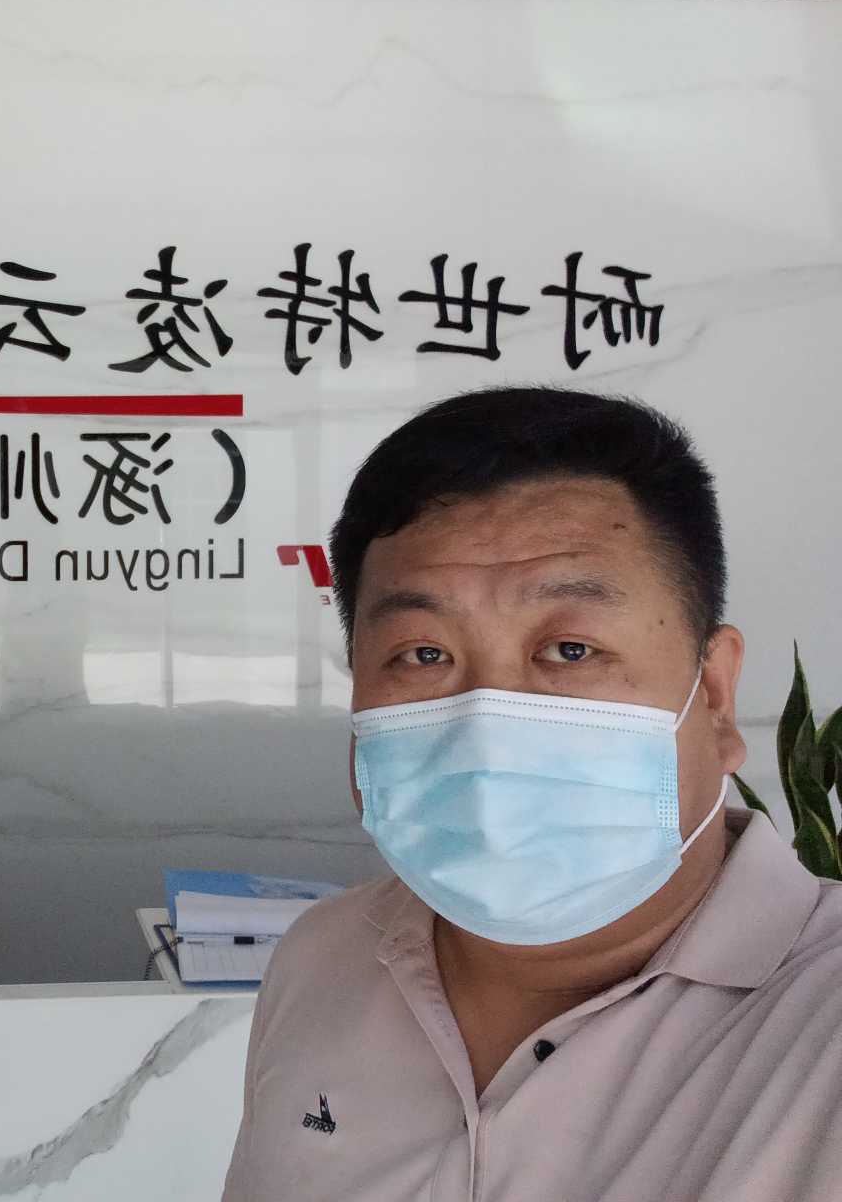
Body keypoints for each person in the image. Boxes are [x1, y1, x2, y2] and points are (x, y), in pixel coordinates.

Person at [222, 387, 842, 1200]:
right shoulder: (322, 958)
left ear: (716, 697)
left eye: (571, 649)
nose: (488, 724)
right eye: (422, 655)